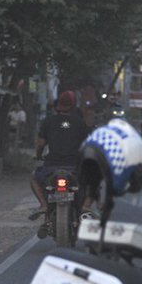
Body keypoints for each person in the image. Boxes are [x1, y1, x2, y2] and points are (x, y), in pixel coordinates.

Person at [28, 90, 92, 238]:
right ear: (74, 104)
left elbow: (41, 143)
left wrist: (38, 156)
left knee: (33, 176)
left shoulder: (49, 121)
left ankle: (43, 204)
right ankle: (85, 206)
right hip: (75, 168)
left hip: (51, 167)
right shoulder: (80, 123)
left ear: (58, 104)